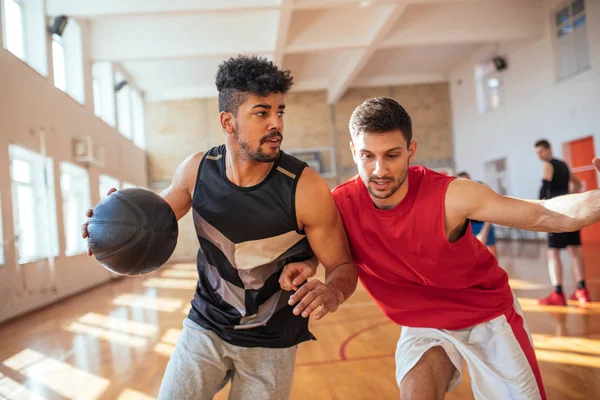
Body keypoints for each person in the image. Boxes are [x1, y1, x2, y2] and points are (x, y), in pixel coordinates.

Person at [82, 55, 358, 400]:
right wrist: (111, 224)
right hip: (205, 325)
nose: (277, 123)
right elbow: (147, 222)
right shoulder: (197, 171)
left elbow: (343, 265)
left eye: (280, 111)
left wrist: (332, 292)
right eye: (262, 112)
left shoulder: (305, 188)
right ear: (228, 121)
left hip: (272, 339)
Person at [288, 97, 600, 400]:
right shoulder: (339, 204)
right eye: (368, 155)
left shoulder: (452, 196)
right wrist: (322, 279)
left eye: (392, 155)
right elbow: (332, 259)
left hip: (486, 315)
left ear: (411, 151)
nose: (379, 170)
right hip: (423, 324)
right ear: (354, 151)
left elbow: (545, 214)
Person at [534, 139, 590, 305]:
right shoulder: (564, 165)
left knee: (553, 254)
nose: (539, 156)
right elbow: (578, 184)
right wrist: (570, 198)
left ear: (549, 149)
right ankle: (582, 291)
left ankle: (557, 294)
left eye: (541, 152)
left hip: (555, 214)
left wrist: (539, 210)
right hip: (569, 213)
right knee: (575, 252)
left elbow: (543, 191)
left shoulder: (548, 165)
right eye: (537, 153)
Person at [456, 172, 498, 257]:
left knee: (491, 251)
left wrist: (485, 230)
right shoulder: (459, 195)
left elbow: (491, 208)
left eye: (466, 181)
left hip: (485, 222)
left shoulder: (480, 188)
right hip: (470, 225)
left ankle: (496, 268)